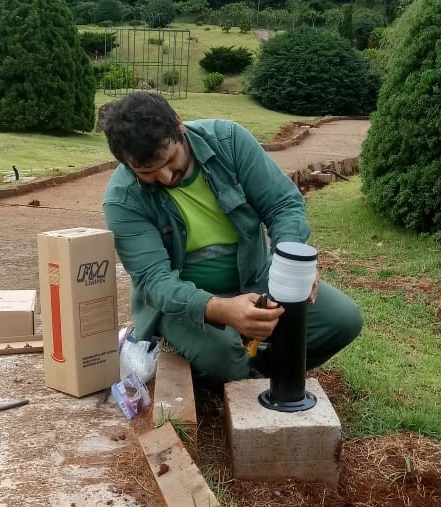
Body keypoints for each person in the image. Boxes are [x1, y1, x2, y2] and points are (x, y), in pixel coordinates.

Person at [102, 92, 362, 386]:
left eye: (169, 160)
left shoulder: (229, 141)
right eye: (147, 172)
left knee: (343, 320)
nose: (164, 177)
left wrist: (291, 264)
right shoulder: (123, 200)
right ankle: (234, 370)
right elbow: (154, 280)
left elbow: (282, 205)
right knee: (224, 357)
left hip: (255, 277)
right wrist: (221, 310)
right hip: (185, 303)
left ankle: (250, 373)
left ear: (179, 124)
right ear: (125, 164)